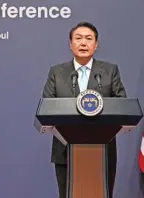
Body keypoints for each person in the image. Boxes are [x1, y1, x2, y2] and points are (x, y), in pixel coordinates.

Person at [42, 21, 126, 198]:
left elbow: (121, 105)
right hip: (65, 151)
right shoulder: (57, 72)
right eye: (78, 38)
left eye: (89, 38)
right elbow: (47, 106)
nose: (83, 43)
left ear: (96, 45)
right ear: (70, 43)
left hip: (103, 151)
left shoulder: (109, 71)